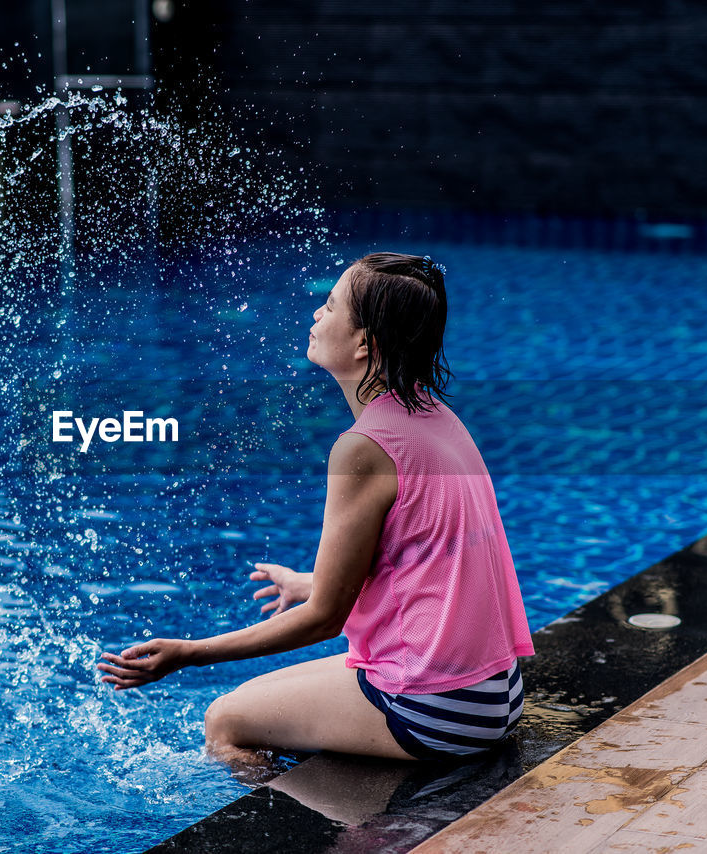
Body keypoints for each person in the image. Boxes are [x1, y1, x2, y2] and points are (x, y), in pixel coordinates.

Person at [97, 252, 534, 769]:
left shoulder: (364, 447)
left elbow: (325, 620)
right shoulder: (434, 415)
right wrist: (311, 583)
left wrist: (188, 653)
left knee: (225, 721)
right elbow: (428, 558)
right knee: (263, 697)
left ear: (364, 343)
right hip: (493, 691)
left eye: (329, 307)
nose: (315, 316)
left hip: (438, 708)